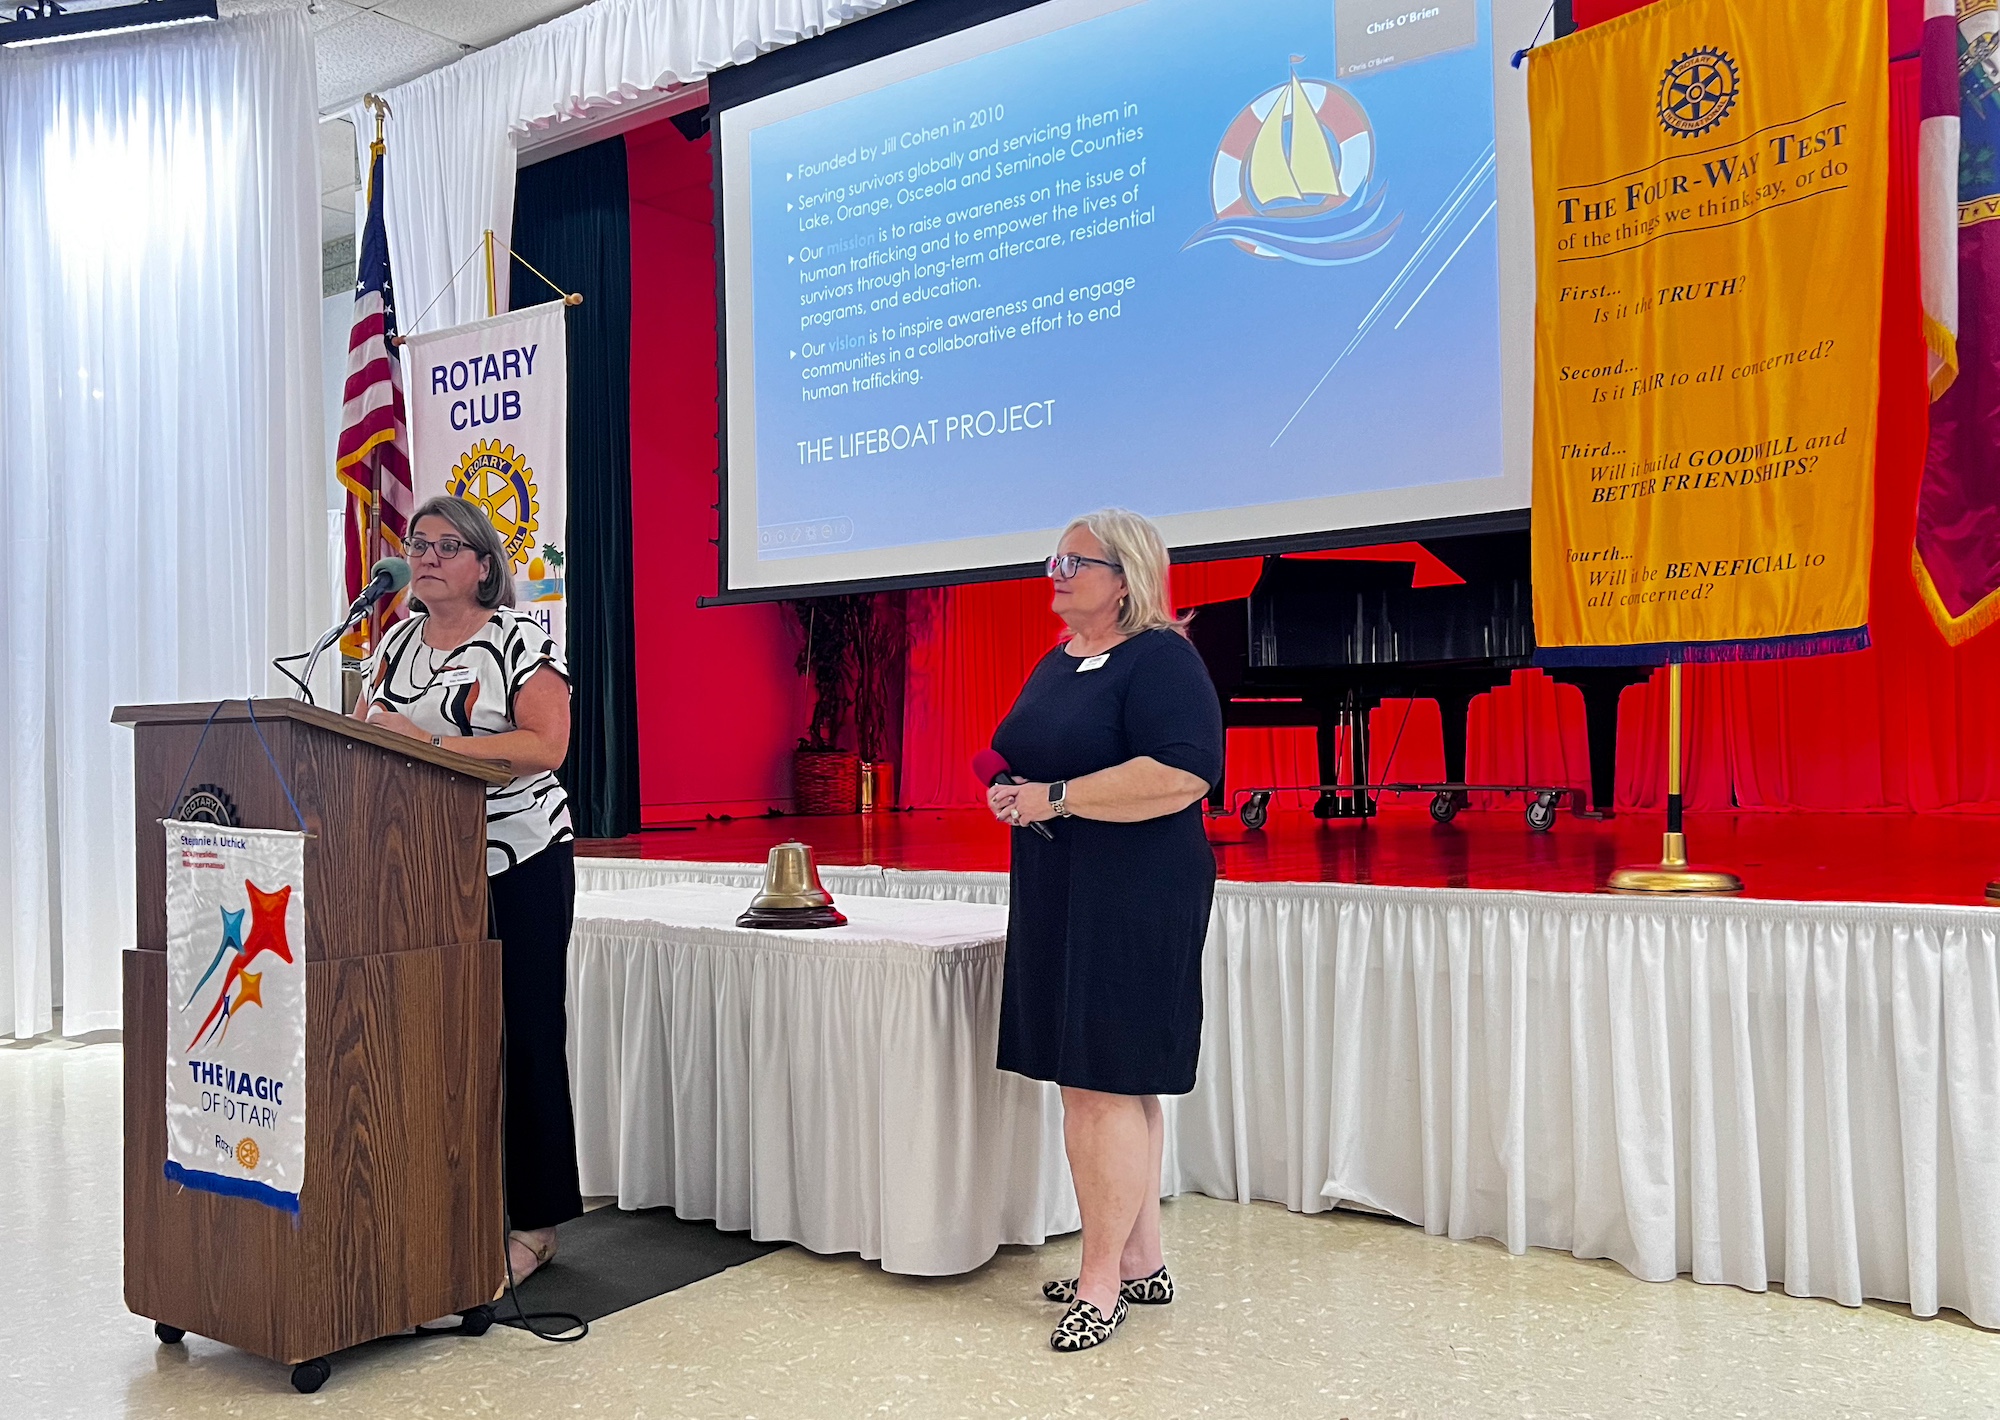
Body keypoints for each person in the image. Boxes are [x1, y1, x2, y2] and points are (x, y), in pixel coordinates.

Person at [987, 508, 1224, 1352]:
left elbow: (1185, 773)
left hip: (1136, 890)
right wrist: (1011, 786)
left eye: (1071, 560)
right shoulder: (1061, 660)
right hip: (1061, 881)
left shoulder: (1161, 657)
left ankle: (1098, 1284)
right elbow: (1020, 750)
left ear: (1123, 576)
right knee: (1110, 1080)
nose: (1053, 571)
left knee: (1103, 1080)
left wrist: (1055, 797)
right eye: (1052, 557)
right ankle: (1140, 1261)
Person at [354, 495, 581, 1285]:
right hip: (419, 869)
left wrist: (433, 739)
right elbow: (360, 733)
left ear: (484, 565)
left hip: (519, 860)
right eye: (417, 544)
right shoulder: (393, 642)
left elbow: (547, 745)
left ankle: (536, 1224)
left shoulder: (521, 641)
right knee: (437, 1034)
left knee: (521, 1036)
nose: (424, 557)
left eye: (446, 546)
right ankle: (445, 1196)